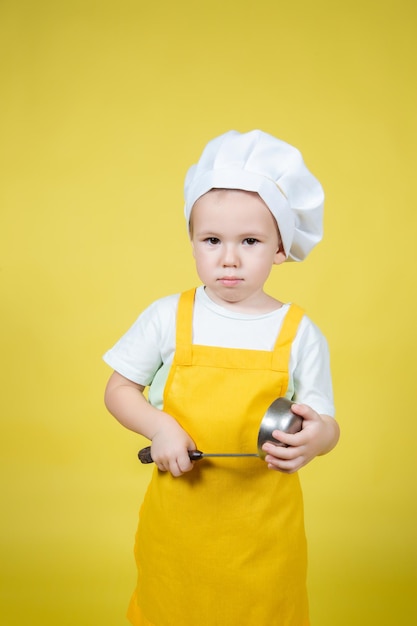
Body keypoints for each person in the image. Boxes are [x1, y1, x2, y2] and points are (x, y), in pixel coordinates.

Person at [103, 129, 340, 626]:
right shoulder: (167, 316)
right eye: (212, 240)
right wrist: (160, 427)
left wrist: (316, 441)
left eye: (249, 241)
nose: (228, 258)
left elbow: (324, 420)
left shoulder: (299, 332)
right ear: (193, 241)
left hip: (264, 532)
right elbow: (119, 389)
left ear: (280, 247)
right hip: (178, 529)